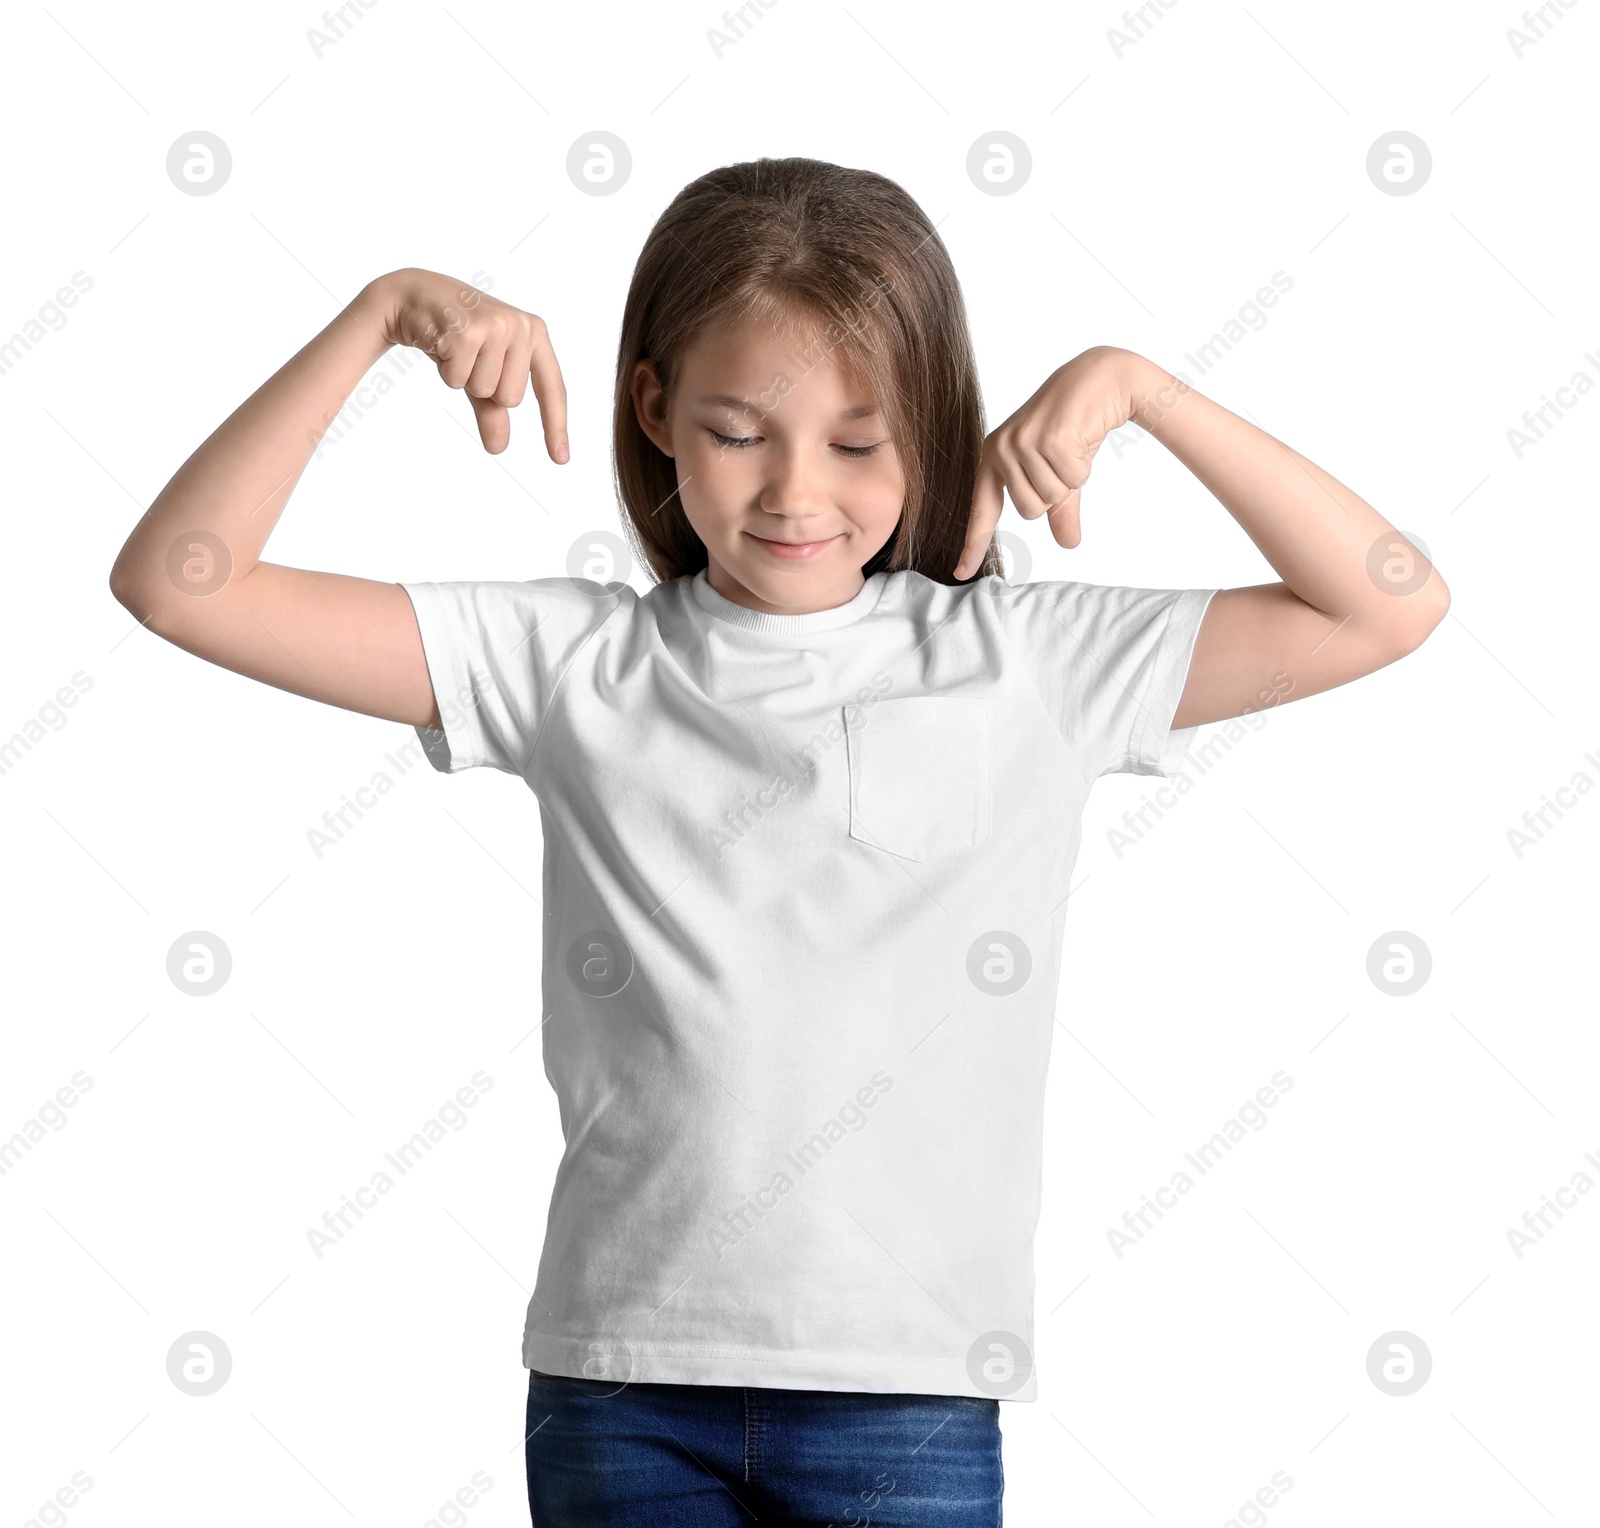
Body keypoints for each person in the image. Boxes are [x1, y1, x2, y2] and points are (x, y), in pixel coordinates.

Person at [109, 157, 1448, 1525]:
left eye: (859, 442)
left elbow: (1386, 607)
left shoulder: (1028, 663)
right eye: (741, 431)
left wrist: (1144, 390)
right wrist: (381, 316)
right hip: (624, 1385)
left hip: (906, 1391)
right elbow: (179, 584)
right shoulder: (568, 660)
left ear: (932, 429)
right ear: (658, 413)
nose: (797, 493)